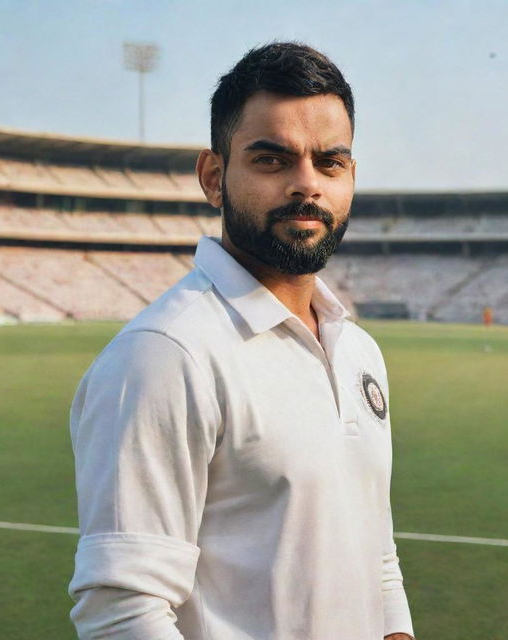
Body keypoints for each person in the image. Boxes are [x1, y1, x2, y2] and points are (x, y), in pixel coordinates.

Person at [68, 42, 414, 640]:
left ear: (351, 176)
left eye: (329, 162)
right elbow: (122, 610)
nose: (307, 185)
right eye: (272, 160)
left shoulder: (358, 351)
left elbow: (375, 559)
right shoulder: (164, 354)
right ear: (213, 176)